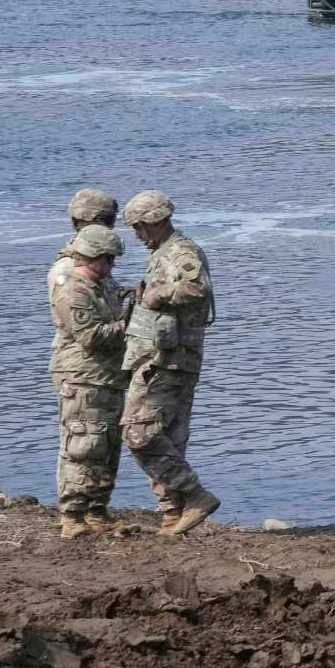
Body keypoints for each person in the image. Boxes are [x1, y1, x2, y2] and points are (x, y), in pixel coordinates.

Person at [121, 191, 217, 536]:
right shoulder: (163, 253)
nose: (137, 235)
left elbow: (196, 289)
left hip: (169, 360)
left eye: (140, 227)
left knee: (139, 434)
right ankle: (172, 514)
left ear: (158, 220)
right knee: (168, 438)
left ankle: (194, 496)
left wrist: (156, 295)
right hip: (161, 358)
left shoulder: (181, 251)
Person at [50, 224, 131, 539]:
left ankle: (97, 512)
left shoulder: (103, 283)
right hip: (84, 379)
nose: (112, 264)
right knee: (84, 446)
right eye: (108, 258)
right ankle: (73, 517)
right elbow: (91, 336)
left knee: (108, 448)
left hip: (108, 378)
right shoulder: (72, 289)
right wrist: (129, 323)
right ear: (91, 256)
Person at [49, 187, 119, 314]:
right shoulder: (69, 268)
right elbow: (80, 330)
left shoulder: (95, 258)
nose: (112, 227)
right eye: (109, 220)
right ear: (96, 221)